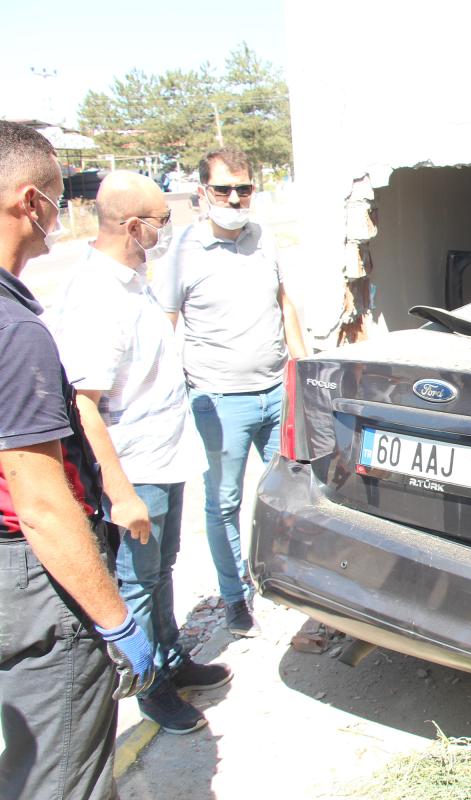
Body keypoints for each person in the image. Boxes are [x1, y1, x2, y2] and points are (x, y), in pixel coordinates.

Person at [47, 171, 233, 735]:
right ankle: (150, 687)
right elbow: (84, 405)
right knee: (136, 581)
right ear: (133, 226)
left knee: (161, 572)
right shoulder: (98, 297)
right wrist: (120, 491)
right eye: (162, 221)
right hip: (135, 470)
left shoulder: (132, 278)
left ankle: (172, 661)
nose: (166, 231)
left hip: (165, 456)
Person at [0, 121, 155, 799]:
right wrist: (114, 620)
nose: (63, 212)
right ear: (31, 201)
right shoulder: (17, 332)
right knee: (63, 776)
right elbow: (39, 503)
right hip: (34, 582)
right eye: (62, 194)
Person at [153, 147, 307, 636]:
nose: (235, 197)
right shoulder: (183, 251)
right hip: (221, 401)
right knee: (223, 503)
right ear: (203, 193)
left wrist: (302, 376)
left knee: (293, 493)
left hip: (275, 392)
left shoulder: (264, 240)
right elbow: (164, 328)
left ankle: (290, 582)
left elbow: (286, 306)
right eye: (224, 189)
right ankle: (236, 599)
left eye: (243, 188)